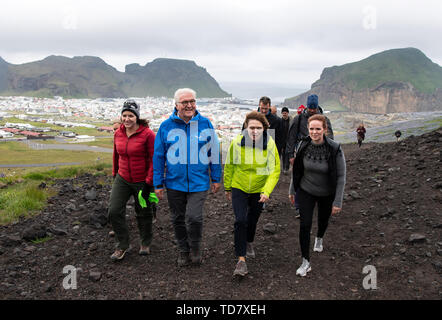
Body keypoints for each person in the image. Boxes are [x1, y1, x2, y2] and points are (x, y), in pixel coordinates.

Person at [153, 88, 221, 267]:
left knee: (194, 217)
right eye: (185, 102)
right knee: (177, 218)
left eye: (192, 101)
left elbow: (214, 152)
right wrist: (157, 183)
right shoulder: (166, 126)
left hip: (199, 182)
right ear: (176, 105)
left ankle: (196, 247)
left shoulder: (205, 124)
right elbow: (159, 156)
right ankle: (183, 250)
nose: (189, 105)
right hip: (174, 182)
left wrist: (216, 178)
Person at [288, 114, 346, 277]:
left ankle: (319, 237)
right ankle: (305, 261)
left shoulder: (334, 149)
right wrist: (292, 190)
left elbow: (341, 176)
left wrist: (338, 201)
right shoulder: (303, 145)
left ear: (324, 129)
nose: (314, 132)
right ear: (308, 129)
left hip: (327, 193)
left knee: (322, 220)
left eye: (318, 129)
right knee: (305, 225)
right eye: (311, 128)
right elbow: (298, 169)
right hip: (306, 190)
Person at [224, 111, 280, 277]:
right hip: (239, 187)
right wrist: (228, 187)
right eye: (251, 127)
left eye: (258, 127)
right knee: (240, 220)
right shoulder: (236, 143)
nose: (254, 131)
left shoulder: (270, 144)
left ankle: (249, 242)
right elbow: (230, 166)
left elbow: (274, 170)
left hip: (259, 189)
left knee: (253, 219)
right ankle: (241, 259)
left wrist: (266, 191)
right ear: (245, 128)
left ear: (264, 128)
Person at [108, 99, 156, 261]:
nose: (127, 119)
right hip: (122, 178)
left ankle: (145, 242)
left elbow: (153, 159)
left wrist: (149, 180)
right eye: (124, 115)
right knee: (114, 211)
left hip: (142, 180)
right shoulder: (118, 133)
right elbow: (116, 155)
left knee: (143, 212)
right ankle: (122, 245)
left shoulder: (148, 134)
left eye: (130, 116)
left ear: (137, 117)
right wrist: (115, 174)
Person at [286, 94, 334, 218]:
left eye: (314, 108)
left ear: (317, 106)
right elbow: (291, 137)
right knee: (297, 176)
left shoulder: (324, 120)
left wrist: (330, 154)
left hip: (319, 154)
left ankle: (317, 201)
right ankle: (299, 207)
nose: (312, 111)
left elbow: (330, 137)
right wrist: (291, 154)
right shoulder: (299, 118)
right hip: (301, 151)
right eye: (310, 108)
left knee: (318, 176)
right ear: (307, 106)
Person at [280, 107, 292, 174]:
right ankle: (283, 168)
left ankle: (286, 168)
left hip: (289, 141)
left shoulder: (291, 121)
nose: (284, 114)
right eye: (283, 113)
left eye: (285, 113)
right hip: (282, 141)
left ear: (288, 113)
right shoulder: (280, 121)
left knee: (287, 155)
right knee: (283, 155)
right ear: (282, 113)